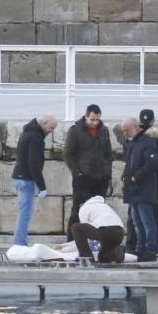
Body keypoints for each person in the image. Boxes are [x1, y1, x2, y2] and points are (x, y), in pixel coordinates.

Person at [63, 104, 113, 242]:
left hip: (100, 178)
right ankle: (72, 241)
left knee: (98, 212)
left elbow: (108, 154)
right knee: (78, 211)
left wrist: (107, 173)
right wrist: (77, 173)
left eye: (97, 120)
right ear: (86, 117)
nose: (95, 123)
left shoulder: (104, 131)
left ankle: (95, 241)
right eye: (92, 120)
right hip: (82, 178)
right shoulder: (75, 130)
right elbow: (68, 154)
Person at [124, 109, 158, 256]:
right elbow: (130, 164)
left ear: (135, 127)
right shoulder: (133, 143)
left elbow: (153, 163)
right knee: (136, 220)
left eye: (127, 130)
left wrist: (136, 176)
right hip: (134, 189)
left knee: (147, 220)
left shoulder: (148, 142)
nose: (125, 133)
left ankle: (151, 248)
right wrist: (126, 176)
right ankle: (140, 247)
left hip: (144, 189)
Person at [11, 114, 57, 246]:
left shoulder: (28, 132)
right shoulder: (36, 137)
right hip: (26, 178)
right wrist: (42, 187)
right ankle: (19, 244)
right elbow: (34, 163)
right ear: (44, 123)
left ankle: (19, 242)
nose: (51, 131)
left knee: (24, 211)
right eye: (51, 127)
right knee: (25, 213)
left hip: (19, 176)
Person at [71, 196, 125, 265]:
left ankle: (86, 257)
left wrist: (80, 251)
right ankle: (118, 252)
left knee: (76, 228)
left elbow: (84, 232)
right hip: (119, 233)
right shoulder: (104, 206)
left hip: (105, 231)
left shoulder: (84, 208)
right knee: (103, 258)